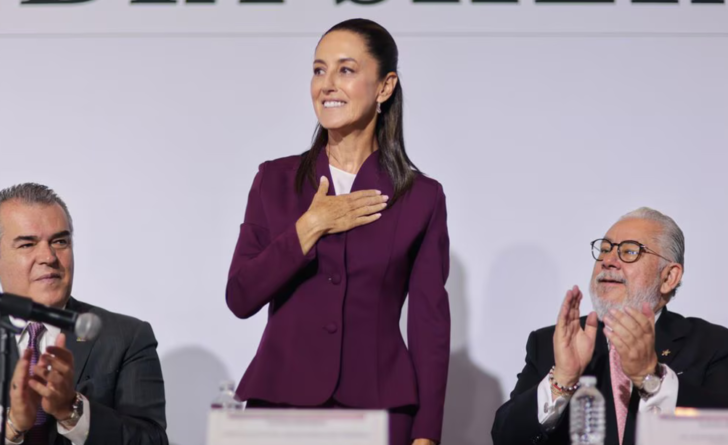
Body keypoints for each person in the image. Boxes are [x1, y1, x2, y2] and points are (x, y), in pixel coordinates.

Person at [225, 18, 451, 445]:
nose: (327, 84)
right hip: (280, 408)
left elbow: (430, 326)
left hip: (380, 410)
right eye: (318, 70)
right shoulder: (274, 180)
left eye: (346, 70)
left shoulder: (421, 197)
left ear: (385, 87)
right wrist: (310, 226)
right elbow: (240, 296)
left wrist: (426, 434)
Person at [0, 183, 168, 445]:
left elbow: (153, 440)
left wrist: (72, 411)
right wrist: (11, 426)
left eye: (60, 241)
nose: (48, 256)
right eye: (27, 244)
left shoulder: (126, 337)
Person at [491, 207, 728, 445]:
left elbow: (721, 432)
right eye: (605, 249)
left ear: (668, 277)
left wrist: (652, 379)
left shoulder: (711, 345)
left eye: (630, 251)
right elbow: (505, 438)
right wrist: (562, 381)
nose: (607, 261)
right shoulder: (553, 343)